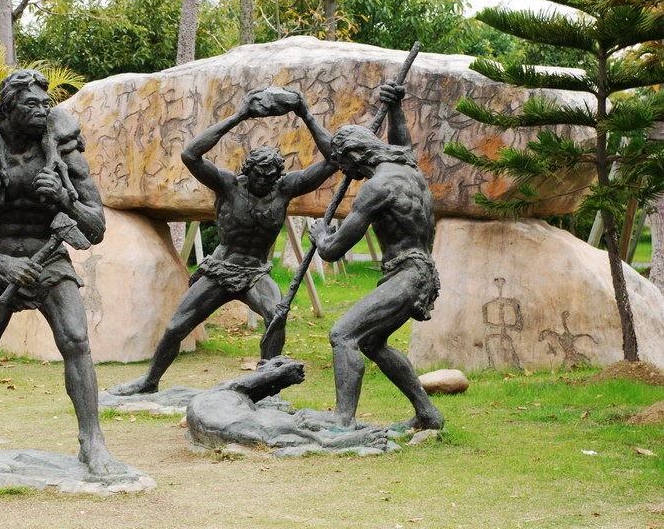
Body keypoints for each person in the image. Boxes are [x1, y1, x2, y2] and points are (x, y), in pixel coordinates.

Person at [0, 69, 129, 477]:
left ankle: (92, 440)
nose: (42, 111)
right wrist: (1, 264)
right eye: (31, 104)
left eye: (45, 104)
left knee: (76, 340)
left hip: (48, 260)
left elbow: (96, 228)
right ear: (7, 108)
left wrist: (65, 198)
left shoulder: (63, 151)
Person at [109, 87, 337, 395]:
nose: (263, 181)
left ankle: (265, 386)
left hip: (255, 273)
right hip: (221, 269)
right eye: (258, 174)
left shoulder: (285, 189)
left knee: (276, 317)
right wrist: (239, 115)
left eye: (270, 176)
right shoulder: (228, 185)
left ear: (277, 175)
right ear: (248, 170)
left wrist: (305, 113)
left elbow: (333, 159)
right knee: (176, 327)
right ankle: (149, 381)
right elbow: (190, 155)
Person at [304, 82, 444, 432]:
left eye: (342, 164)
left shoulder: (376, 188)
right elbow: (401, 143)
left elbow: (333, 250)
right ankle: (428, 414)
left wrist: (321, 235)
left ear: (353, 158)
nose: (344, 172)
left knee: (343, 335)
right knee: (371, 341)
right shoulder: (408, 167)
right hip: (420, 272)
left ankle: (342, 421)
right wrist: (395, 107)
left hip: (407, 275)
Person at [186, 356, 386, 450]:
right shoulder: (226, 390)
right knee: (296, 426)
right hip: (224, 421)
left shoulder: (226, 400)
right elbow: (251, 381)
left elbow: (259, 389)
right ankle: (342, 440)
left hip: (215, 423)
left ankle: (341, 436)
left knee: (280, 431)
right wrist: (280, 371)